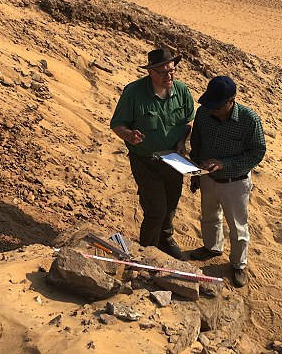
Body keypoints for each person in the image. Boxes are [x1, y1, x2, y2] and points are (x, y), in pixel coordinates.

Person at [110, 48, 195, 260]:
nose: (169, 76)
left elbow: (189, 121)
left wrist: (182, 142)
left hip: (174, 161)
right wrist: (129, 135)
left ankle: (165, 239)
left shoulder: (182, 91)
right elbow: (117, 124)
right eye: (163, 72)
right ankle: (147, 249)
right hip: (145, 161)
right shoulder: (134, 93)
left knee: (171, 204)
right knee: (155, 209)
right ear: (150, 72)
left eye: (172, 71)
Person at [188, 76, 265, 287]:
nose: (211, 109)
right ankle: (212, 247)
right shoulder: (203, 113)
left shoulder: (249, 120)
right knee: (209, 216)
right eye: (209, 103)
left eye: (216, 105)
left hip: (235, 183)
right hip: (208, 178)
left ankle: (239, 264)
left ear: (230, 101)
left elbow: (257, 153)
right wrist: (196, 173)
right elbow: (197, 143)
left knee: (238, 226)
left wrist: (224, 164)